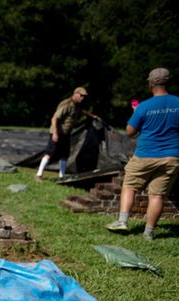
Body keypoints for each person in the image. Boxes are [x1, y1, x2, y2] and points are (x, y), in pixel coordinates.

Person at [106, 68, 179, 240]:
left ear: (151, 84)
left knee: (130, 186)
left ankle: (122, 222)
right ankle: (149, 233)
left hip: (145, 154)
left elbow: (130, 131)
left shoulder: (144, 106)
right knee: (157, 195)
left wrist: (136, 114)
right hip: (172, 156)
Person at [35, 86, 101, 180]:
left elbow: (82, 111)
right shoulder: (66, 104)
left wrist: (93, 116)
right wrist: (55, 133)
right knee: (50, 153)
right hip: (58, 133)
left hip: (66, 135)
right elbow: (54, 118)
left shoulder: (77, 106)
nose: (82, 98)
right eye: (81, 95)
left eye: (84, 96)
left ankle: (62, 176)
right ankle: (38, 174)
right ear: (75, 94)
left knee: (64, 155)